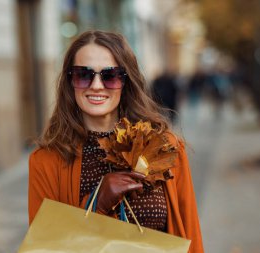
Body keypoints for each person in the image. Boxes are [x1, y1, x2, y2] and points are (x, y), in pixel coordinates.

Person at [28, 30, 204, 252]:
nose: (96, 85)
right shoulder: (46, 161)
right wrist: (96, 204)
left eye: (110, 76)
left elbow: (191, 236)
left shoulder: (164, 148)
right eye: (84, 75)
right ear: (70, 82)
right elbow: (45, 247)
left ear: (126, 81)